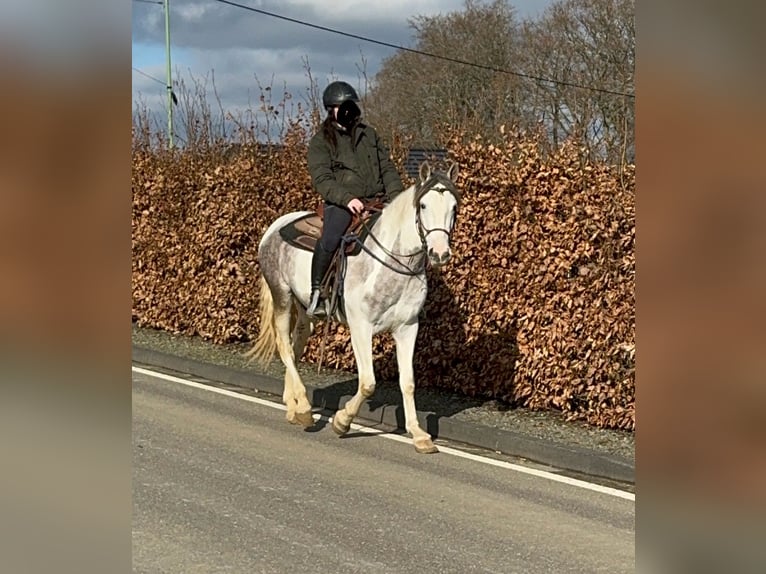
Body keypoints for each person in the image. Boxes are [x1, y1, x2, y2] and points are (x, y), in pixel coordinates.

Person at [305, 80, 404, 318]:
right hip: (343, 204)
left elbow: (387, 168)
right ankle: (317, 294)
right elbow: (322, 178)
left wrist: (398, 199)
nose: (349, 109)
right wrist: (347, 198)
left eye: (351, 105)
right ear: (332, 109)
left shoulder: (369, 135)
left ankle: (407, 298)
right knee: (330, 237)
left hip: (378, 199)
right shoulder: (321, 142)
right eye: (343, 105)